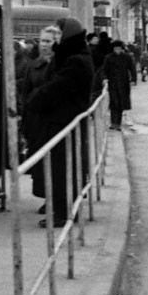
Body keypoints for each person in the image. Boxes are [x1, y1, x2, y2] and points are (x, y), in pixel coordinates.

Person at [25, 17, 95, 228]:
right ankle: (61, 209)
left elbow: (54, 89)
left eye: (58, 35)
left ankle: (62, 214)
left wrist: (33, 99)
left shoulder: (74, 61)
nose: (54, 41)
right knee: (61, 167)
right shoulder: (74, 57)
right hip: (62, 121)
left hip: (62, 122)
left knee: (60, 168)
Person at [21, 25, 61, 215]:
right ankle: (47, 197)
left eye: (48, 41)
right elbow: (25, 93)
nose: (43, 45)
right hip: (35, 121)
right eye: (42, 40)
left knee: (54, 161)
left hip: (52, 119)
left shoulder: (60, 64)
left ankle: (56, 199)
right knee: (40, 162)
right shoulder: (34, 64)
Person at [102, 40, 133, 130]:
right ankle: (113, 123)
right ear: (113, 49)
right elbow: (104, 70)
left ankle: (118, 124)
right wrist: (104, 79)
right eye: (115, 49)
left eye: (119, 49)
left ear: (121, 49)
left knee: (121, 104)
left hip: (124, 83)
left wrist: (133, 79)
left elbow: (132, 68)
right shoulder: (108, 58)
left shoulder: (127, 57)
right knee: (114, 103)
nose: (117, 51)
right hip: (113, 84)